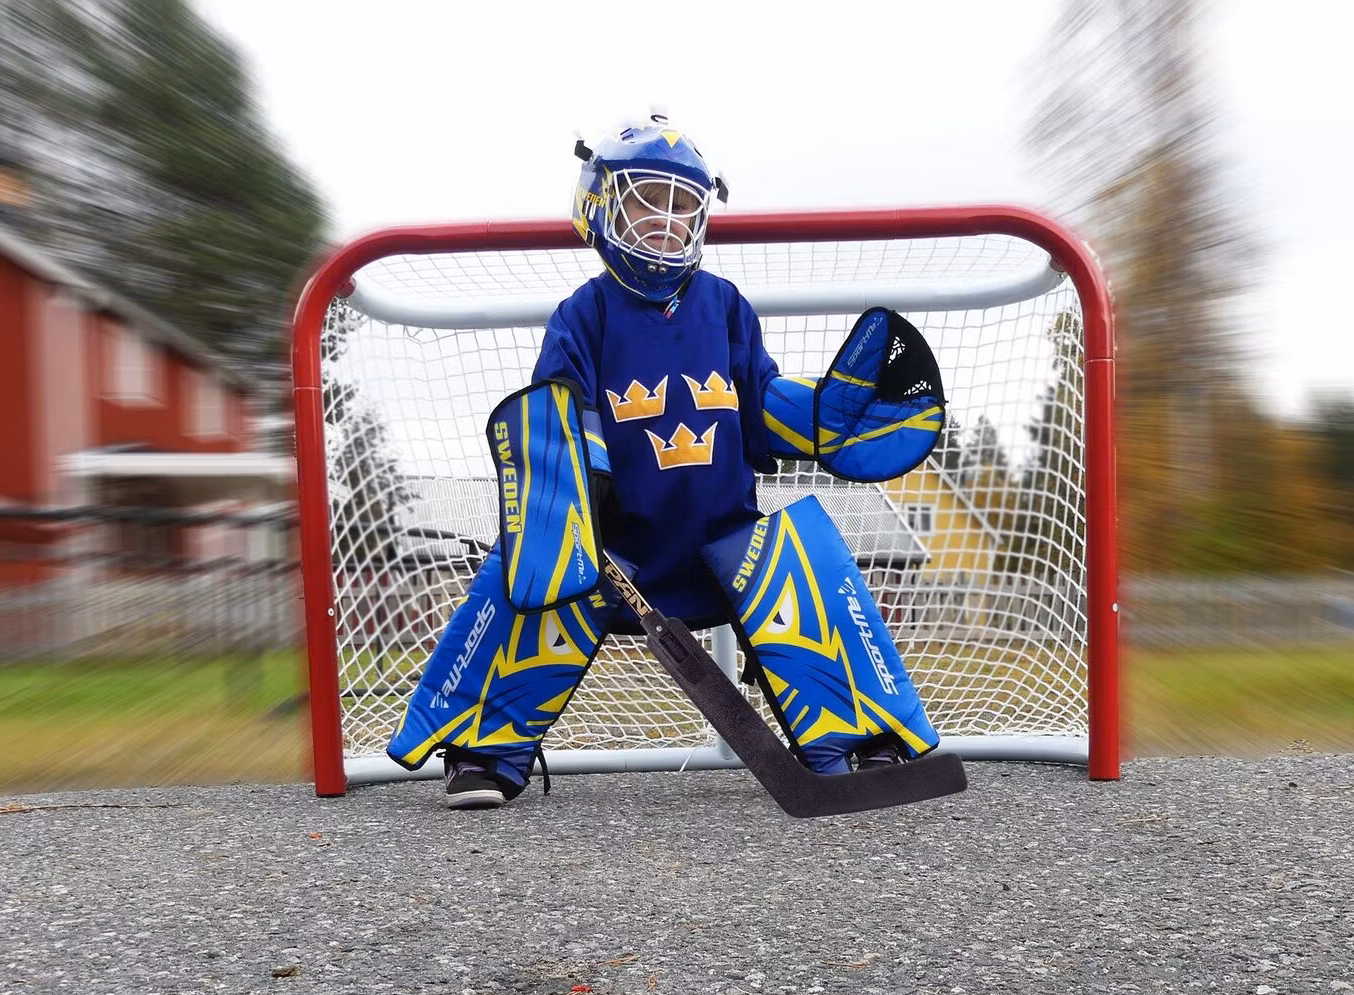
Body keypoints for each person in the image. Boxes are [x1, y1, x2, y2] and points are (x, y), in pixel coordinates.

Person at [387, 115, 947, 810]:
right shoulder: (583, 315)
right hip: (620, 558)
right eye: (647, 201)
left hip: (723, 546)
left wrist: (827, 419)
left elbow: (760, 404)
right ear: (600, 203)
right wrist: (575, 519)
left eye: (684, 207)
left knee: (805, 558)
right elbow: (560, 427)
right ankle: (483, 753)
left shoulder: (727, 306)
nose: (667, 221)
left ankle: (863, 741)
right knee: (536, 559)